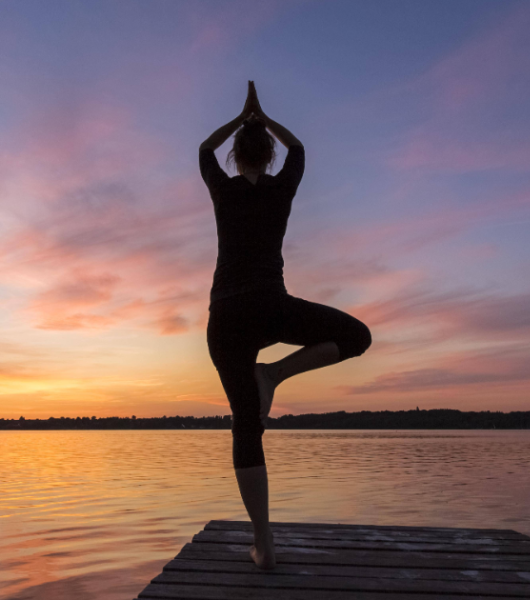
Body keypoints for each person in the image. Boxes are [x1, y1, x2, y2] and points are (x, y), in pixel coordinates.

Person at [199, 81, 372, 570]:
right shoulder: (281, 186)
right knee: (356, 337)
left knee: (246, 425)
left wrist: (241, 117)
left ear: (235, 156)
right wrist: (263, 117)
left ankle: (264, 543)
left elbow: (202, 149)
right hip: (271, 306)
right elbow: (298, 147)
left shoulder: (222, 188)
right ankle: (274, 373)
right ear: (269, 155)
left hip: (227, 315)